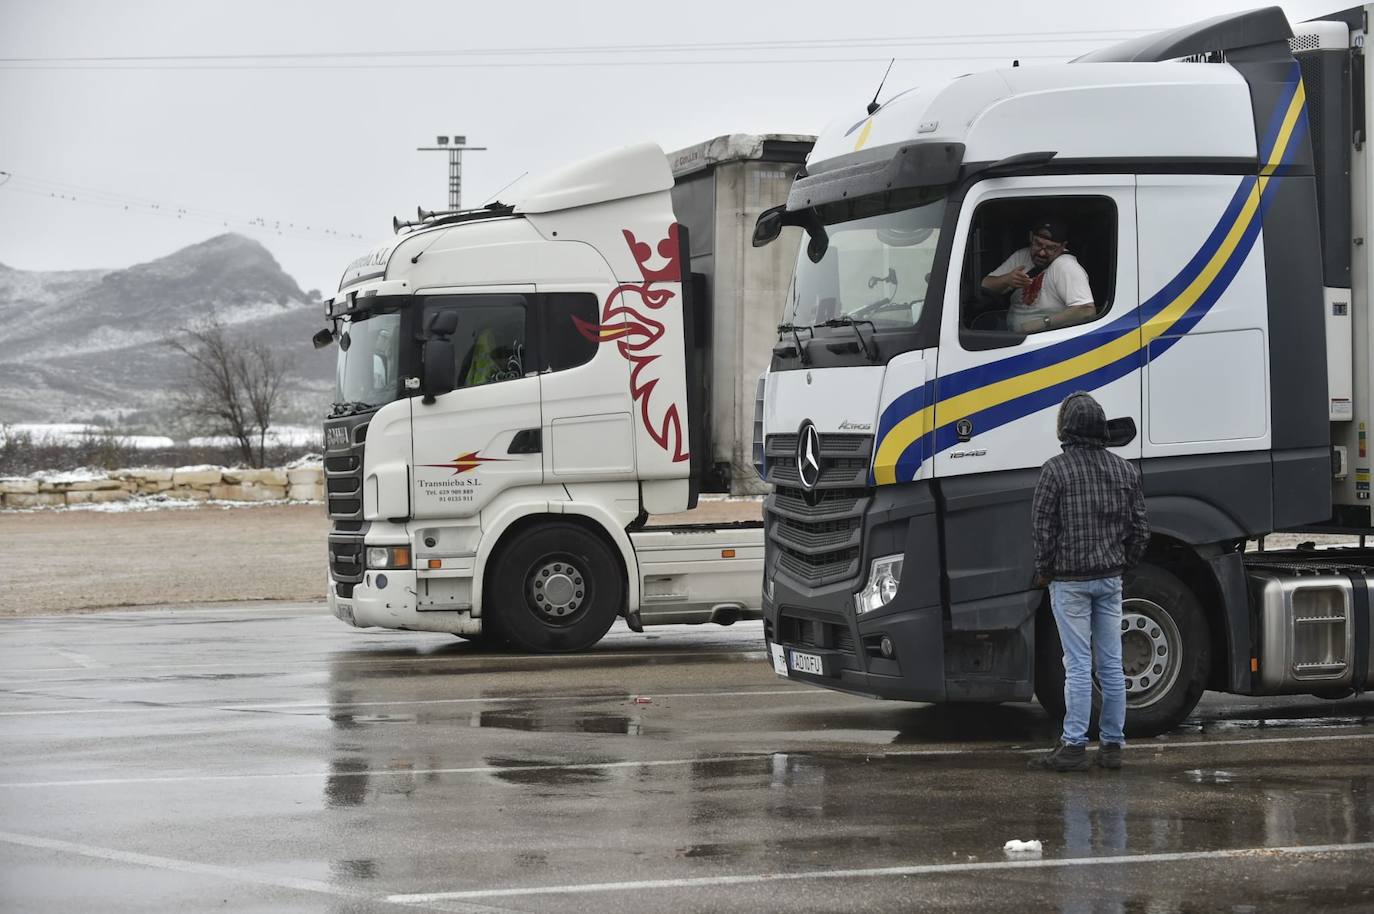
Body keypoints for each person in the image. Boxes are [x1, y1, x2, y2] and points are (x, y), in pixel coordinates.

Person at [1027, 392, 1149, 772]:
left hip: (1070, 582)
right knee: (1112, 666)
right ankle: (1111, 745)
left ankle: (1074, 745)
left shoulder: (1054, 471)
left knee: (1078, 666)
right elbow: (1141, 530)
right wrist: (1122, 565)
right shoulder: (1125, 471)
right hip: (1109, 580)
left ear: (1065, 429)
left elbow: (1042, 528)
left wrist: (1045, 569)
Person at [980, 218, 1096, 333]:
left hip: (1042, 340)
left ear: (1062, 246)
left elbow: (1086, 311)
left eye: (1050, 248)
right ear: (1031, 237)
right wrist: (1006, 279)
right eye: (1038, 244)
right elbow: (985, 285)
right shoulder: (1022, 256)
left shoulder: (1066, 266)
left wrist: (1043, 323)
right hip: (1011, 334)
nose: (1041, 252)